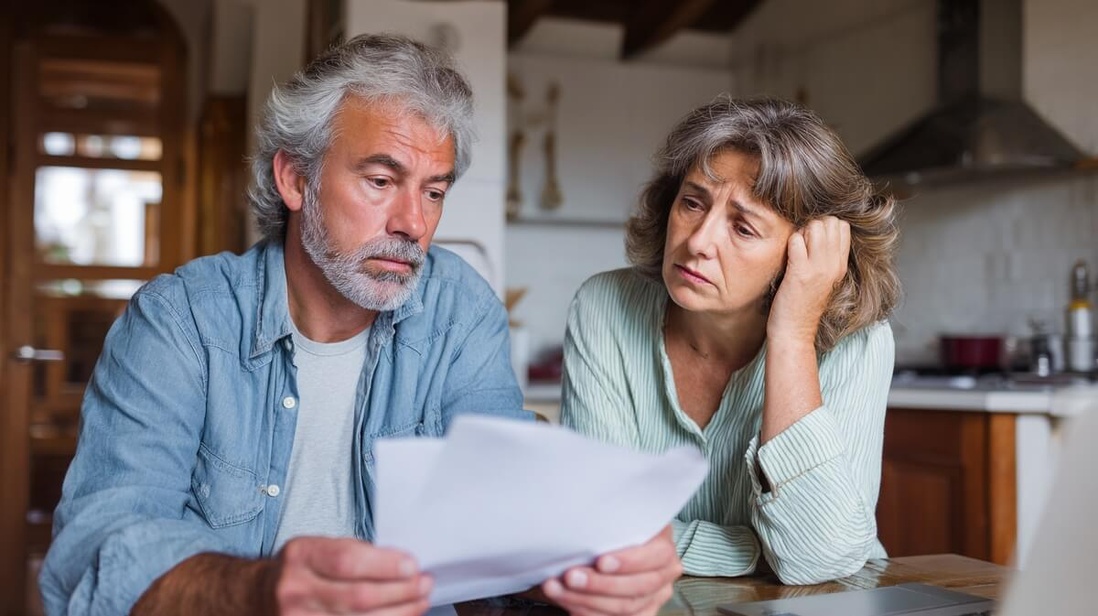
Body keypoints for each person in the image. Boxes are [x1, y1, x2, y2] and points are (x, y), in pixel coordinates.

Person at [40, 34, 680, 616]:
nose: (413, 224)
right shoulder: (179, 323)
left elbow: (505, 508)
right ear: (295, 178)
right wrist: (257, 590)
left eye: (434, 192)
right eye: (381, 180)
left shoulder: (459, 310)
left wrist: (587, 560)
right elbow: (95, 553)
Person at [560, 96, 901, 586]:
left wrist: (792, 336)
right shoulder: (605, 307)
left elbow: (818, 560)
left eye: (743, 227)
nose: (698, 241)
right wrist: (756, 552)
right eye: (692, 202)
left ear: (803, 254)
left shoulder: (858, 343)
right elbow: (598, 530)